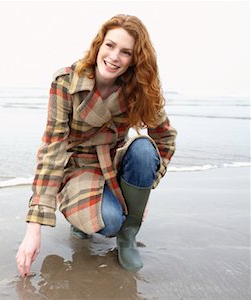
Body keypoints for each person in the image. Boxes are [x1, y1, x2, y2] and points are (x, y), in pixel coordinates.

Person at [15, 14, 177, 277]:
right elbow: (52, 150)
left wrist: (147, 188)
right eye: (110, 45)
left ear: (135, 60)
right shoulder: (66, 83)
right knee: (109, 221)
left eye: (126, 52)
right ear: (99, 44)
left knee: (145, 150)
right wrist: (34, 228)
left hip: (113, 163)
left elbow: (165, 138)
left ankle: (128, 236)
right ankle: (83, 219)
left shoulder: (139, 90)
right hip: (79, 168)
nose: (114, 57)